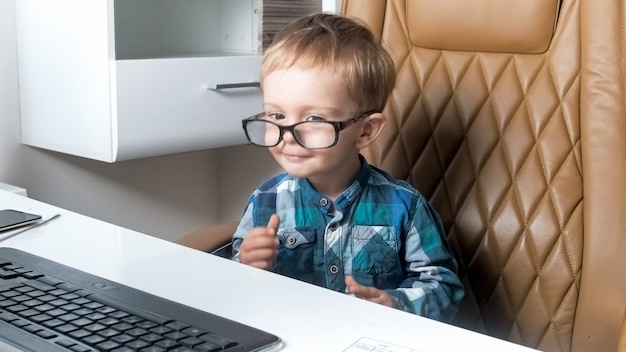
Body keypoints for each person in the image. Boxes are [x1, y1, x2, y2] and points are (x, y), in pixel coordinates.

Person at [232, 13, 464, 322]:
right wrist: (247, 265)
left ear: (366, 131)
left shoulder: (404, 207)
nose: (288, 136)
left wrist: (394, 304)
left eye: (314, 119)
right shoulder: (265, 201)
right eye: (276, 117)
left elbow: (443, 287)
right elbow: (237, 287)